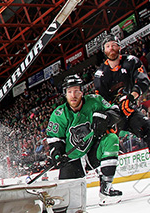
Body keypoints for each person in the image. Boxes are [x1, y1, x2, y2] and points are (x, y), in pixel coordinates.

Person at [93, 40, 150, 192]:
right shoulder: (100, 74)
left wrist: (131, 97)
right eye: (107, 46)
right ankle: (105, 186)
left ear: (119, 47)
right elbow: (100, 100)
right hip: (112, 114)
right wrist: (110, 114)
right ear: (103, 50)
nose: (111, 48)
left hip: (129, 110)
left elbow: (143, 80)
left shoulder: (131, 61)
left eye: (113, 45)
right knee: (104, 144)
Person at [45, 75, 124, 204]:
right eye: (69, 92)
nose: (73, 95)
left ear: (82, 91)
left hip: (92, 153)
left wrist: (105, 118)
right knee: (67, 201)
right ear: (65, 94)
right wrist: (57, 153)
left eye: (76, 91)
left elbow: (116, 111)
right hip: (72, 159)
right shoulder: (59, 114)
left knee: (111, 139)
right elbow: (54, 139)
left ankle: (106, 189)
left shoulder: (95, 101)